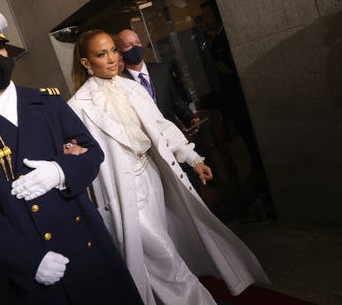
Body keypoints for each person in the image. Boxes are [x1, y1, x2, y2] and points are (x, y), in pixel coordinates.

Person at [0, 7, 144, 305]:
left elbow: (92, 152)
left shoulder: (48, 101)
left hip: (87, 241)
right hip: (38, 263)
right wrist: (27, 261)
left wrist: (61, 171)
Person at [68, 29, 270, 305]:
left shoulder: (132, 87)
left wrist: (193, 158)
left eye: (114, 50)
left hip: (152, 180)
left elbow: (162, 126)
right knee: (164, 257)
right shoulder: (77, 107)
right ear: (86, 62)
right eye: (101, 54)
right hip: (121, 192)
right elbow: (76, 153)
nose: (113, 59)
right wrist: (72, 153)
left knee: (160, 259)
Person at [200, 0, 274, 218]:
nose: (204, 20)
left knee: (253, 142)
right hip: (230, 105)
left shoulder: (226, 37)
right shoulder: (211, 40)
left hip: (242, 100)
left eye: (207, 15)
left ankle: (263, 190)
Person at [115, 29, 200, 134]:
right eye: (129, 46)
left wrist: (189, 119)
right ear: (120, 52)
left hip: (173, 134)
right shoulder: (121, 81)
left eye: (138, 43)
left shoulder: (161, 70)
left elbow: (176, 102)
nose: (136, 48)